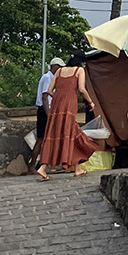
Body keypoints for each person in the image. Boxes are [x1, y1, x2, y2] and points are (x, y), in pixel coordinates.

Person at [35, 51, 100, 179]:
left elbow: (49, 90)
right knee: (69, 134)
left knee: (59, 134)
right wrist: (91, 102)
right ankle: (45, 168)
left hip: (56, 106)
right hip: (69, 106)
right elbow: (81, 89)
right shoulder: (79, 71)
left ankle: (76, 168)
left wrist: (59, 98)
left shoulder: (59, 71)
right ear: (81, 61)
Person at [31, 57, 65, 166]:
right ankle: (32, 165)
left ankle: (45, 164)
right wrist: (49, 115)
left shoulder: (53, 79)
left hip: (49, 110)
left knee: (50, 138)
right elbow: (44, 98)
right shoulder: (47, 78)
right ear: (53, 66)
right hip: (44, 111)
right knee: (41, 138)